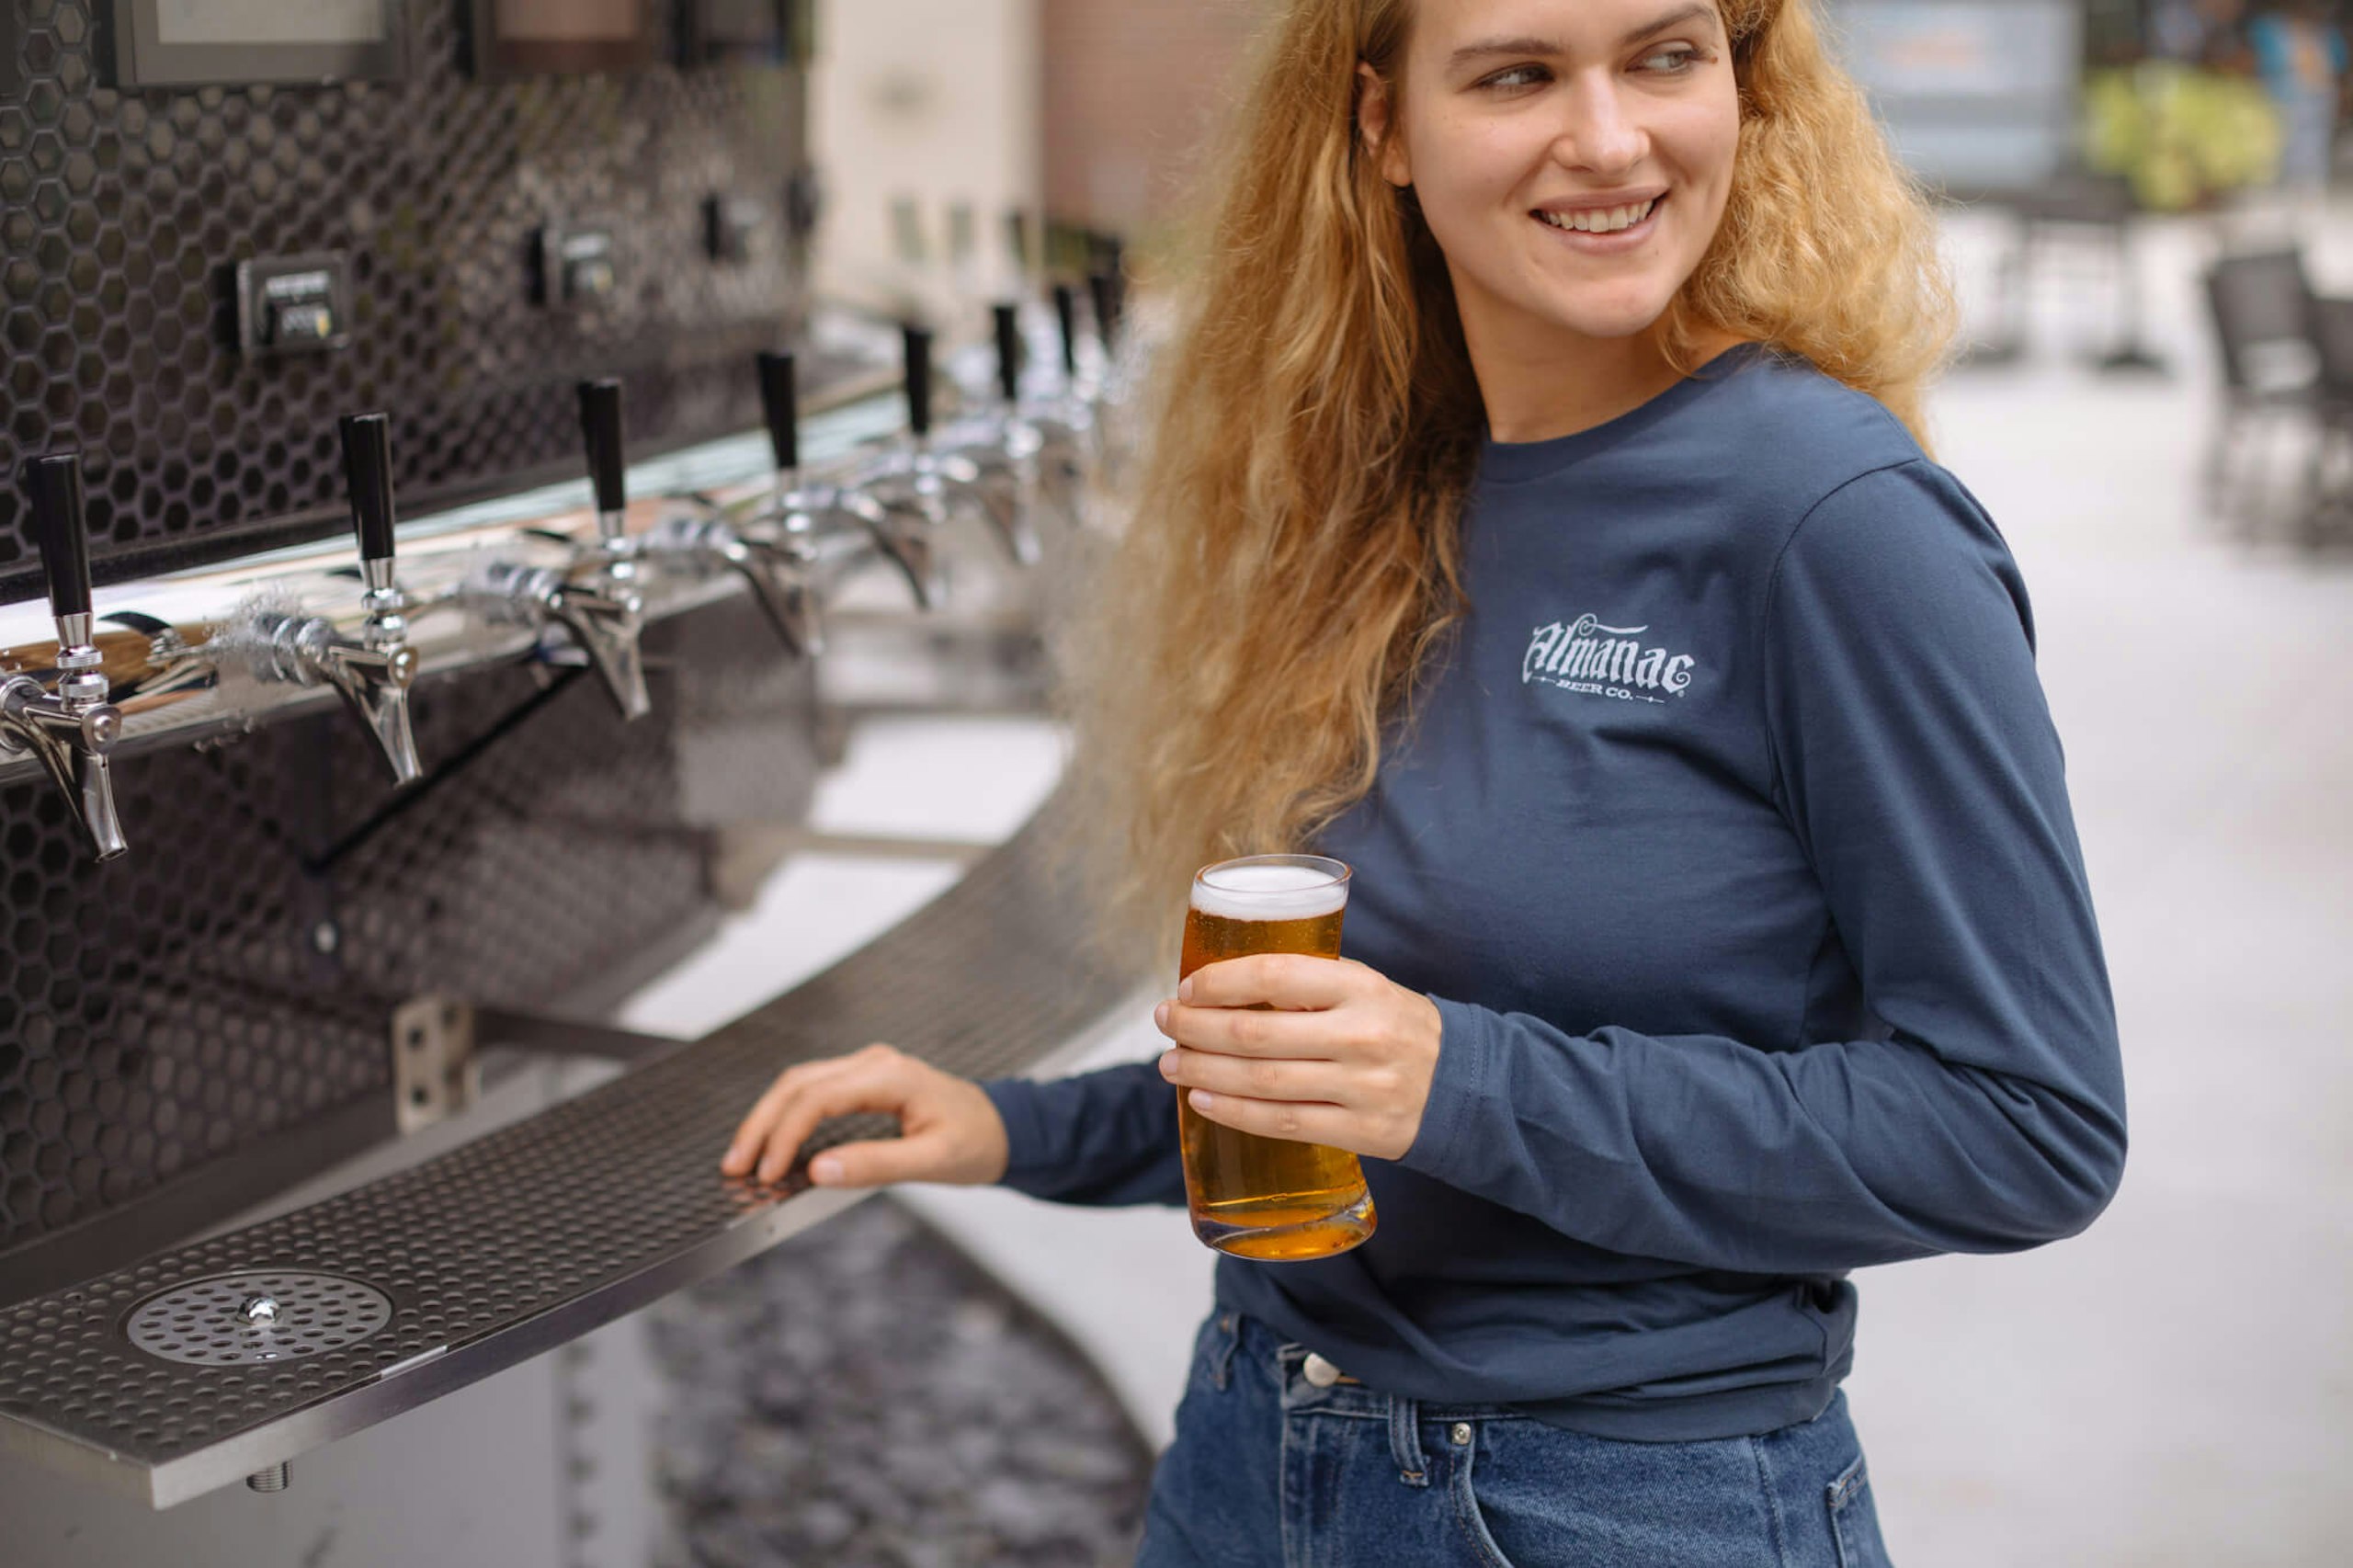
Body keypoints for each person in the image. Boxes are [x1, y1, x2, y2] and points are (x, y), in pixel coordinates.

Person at [721, 0, 2128, 1562]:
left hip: (1613, 1504)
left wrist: (1462, 1082)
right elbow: (1356, 1058)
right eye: (1519, 73)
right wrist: (1014, 1130)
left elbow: (2024, 1123)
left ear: (1747, 80)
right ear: (1383, 126)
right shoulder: (1383, 490)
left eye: (1665, 56)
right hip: (1255, 1452)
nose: (1608, 138)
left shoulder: (1835, 521)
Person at [2249, 0, 2348, 188]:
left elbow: (2337, 72)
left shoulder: (2326, 33)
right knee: (2273, 166)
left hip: (2317, 112)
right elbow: (2255, 65)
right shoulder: (2267, 29)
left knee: (2310, 168)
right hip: (2276, 108)